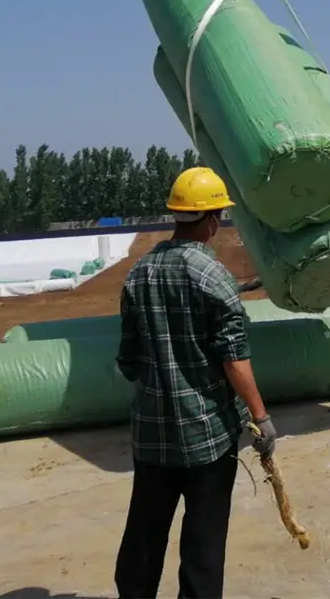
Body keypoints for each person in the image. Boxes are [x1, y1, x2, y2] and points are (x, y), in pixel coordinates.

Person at [114, 166, 277, 599]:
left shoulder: (140, 273)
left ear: (177, 216)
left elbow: (128, 360)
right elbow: (234, 359)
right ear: (210, 220)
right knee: (203, 543)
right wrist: (261, 417)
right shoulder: (213, 277)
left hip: (151, 436)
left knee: (144, 537)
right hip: (206, 437)